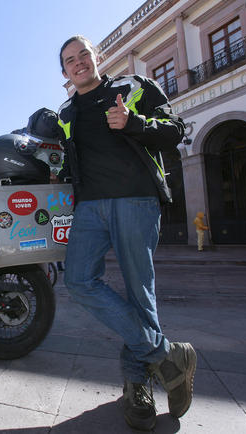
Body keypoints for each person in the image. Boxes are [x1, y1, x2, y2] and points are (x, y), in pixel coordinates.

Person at [57, 35, 196, 431]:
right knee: (79, 280)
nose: (79, 62)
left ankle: (137, 385)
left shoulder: (133, 87)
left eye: (84, 54)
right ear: (64, 72)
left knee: (140, 291)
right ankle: (167, 356)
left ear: (97, 58)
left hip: (136, 200)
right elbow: (70, 160)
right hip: (89, 207)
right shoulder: (65, 112)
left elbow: (175, 130)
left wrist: (134, 123)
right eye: (70, 60)